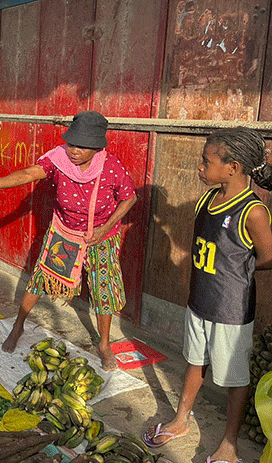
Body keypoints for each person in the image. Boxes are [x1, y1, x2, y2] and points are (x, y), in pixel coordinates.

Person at [0, 111, 137, 370]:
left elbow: (129, 198)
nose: (73, 150)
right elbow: (28, 173)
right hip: (64, 232)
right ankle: (18, 324)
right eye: (71, 143)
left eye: (81, 145)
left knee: (103, 291)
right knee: (38, 281)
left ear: (97, 147)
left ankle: (104, 344)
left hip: (101, 236)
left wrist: (105, 228)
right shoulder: (57, 160)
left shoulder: (111, 167)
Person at [142, 128, 272, 463]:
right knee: (194, 360)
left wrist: (237, 269)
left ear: (233, 167)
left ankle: (229, 442)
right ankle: (181, 419)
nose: (200, 167)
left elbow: (268, 257)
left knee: (235, 377)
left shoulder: (253, 211)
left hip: (231, 308)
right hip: (199, 301)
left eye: (206, 161)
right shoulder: (207, 200)